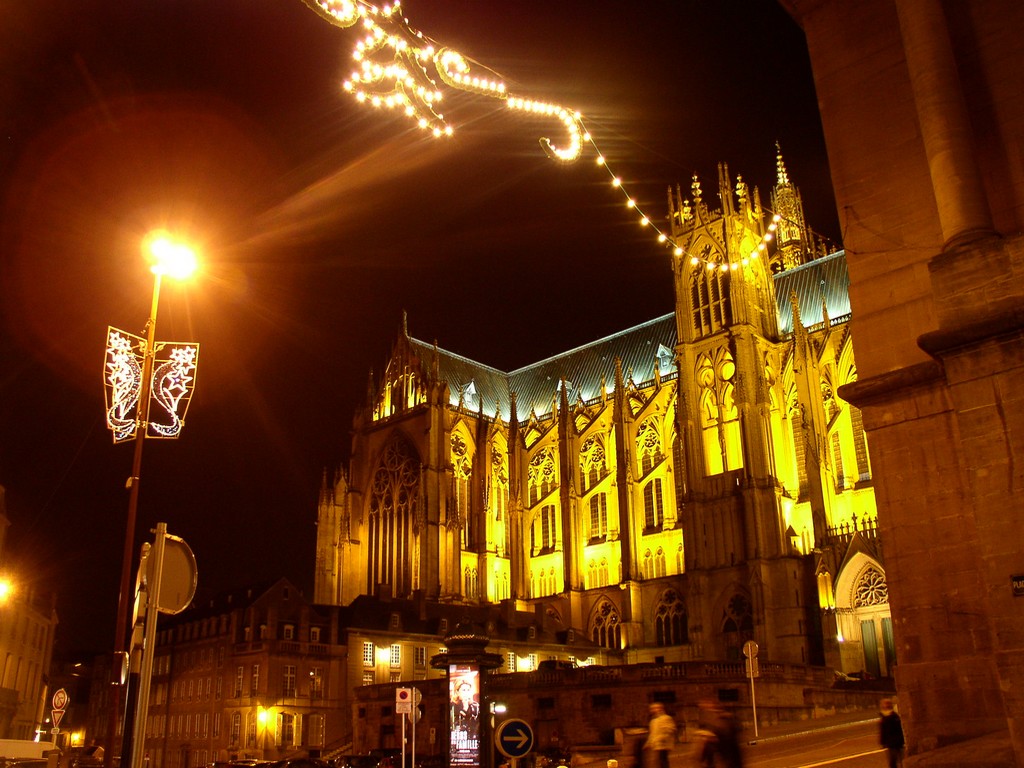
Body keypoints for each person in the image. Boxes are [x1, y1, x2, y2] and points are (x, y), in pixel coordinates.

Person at [697, 700, 744, 768]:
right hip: (728, 758)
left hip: (729, 758)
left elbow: (723, 736)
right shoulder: (719, 722)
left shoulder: (722, 722)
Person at [643, 703, 676, 768]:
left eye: (654, 708)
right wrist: (648, 743)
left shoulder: (666, 718)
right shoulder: (653, 721)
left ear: (660, 708)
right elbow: (652, 733)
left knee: (663, 761)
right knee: (658, 762)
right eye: (652, 708)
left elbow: (671, 729)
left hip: (663, 745)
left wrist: (662, 738)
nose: (652, 710)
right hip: (656, 745)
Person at [879, 698, 905, 768]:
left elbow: (883, 731)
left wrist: (882, 742)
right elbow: (883, 731)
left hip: (894, 742)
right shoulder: (893, 716)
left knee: (896, 760)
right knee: (896, 760)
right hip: (894, 742)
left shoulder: (888, 717)